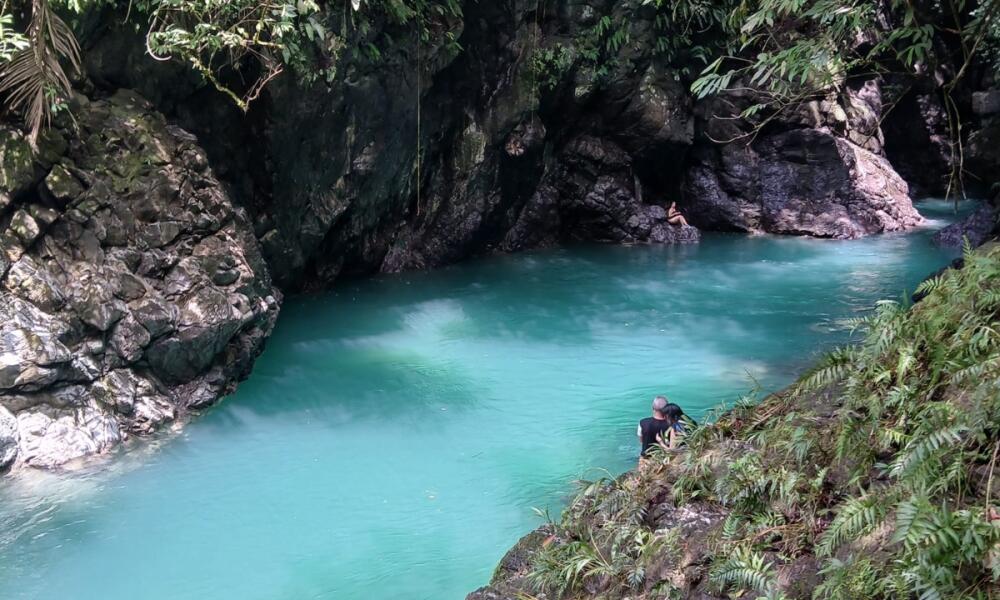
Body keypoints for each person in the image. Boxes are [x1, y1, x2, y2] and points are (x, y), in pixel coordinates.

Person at [637, 396, 676, 460]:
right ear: (667, 409)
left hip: (646, 457)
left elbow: (641, 441)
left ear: (653, 408)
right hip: (665, 458)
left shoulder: (642, 422)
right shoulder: (672, 425)